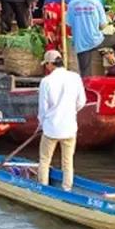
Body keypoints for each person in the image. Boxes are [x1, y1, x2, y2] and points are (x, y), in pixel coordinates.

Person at [36, 50, 84, 190]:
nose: (46, 67)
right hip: (69, 128)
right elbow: (81, 101)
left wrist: (41, 123)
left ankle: (42, 189)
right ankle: (67, 189)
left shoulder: (46, 81)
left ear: (51, 64)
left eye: (46, 64)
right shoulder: (75, 77)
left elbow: (43, 109)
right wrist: (69, 112)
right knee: (68, 162)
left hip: (51, 128)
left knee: (44, 161)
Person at [66, 0, 114, 77]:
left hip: (80, 42)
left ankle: (86, 89)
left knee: (85, 71)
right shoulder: (96, 3)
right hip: (95, 40)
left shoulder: (71, 4)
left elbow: (69, 24)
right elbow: (103, 25)